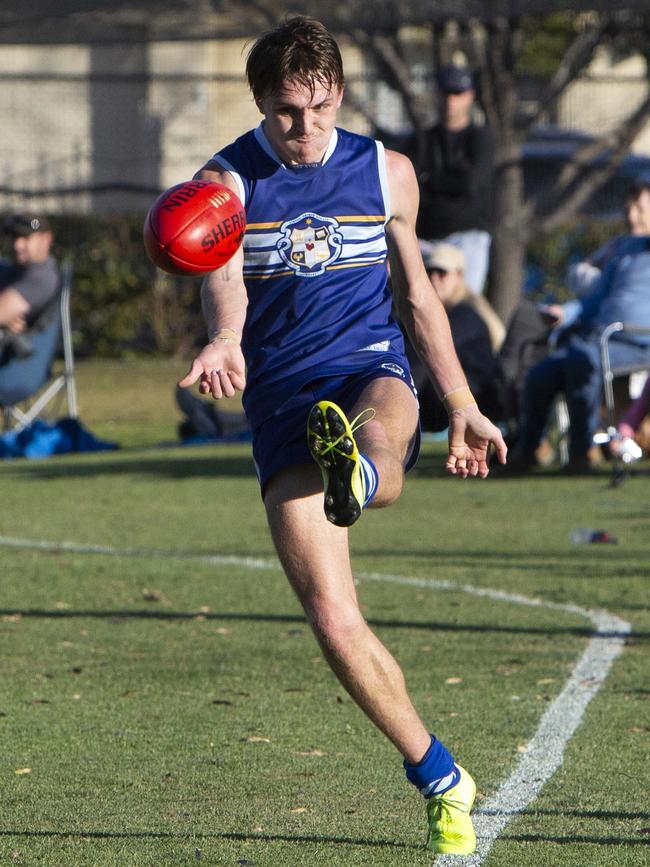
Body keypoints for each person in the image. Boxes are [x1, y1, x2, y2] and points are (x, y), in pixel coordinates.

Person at [178, 17, 506, 855]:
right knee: (331, 615)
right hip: (284, 398)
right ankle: (439, 773)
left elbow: (421, 297)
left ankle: (355, 474)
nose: (305, 127)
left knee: (379, 444)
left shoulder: (385, 170)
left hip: (369, 365)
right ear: (261, 103)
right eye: (288, 111)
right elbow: (225, 288)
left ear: (341, 98)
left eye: (320, 108)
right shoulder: (228, 184)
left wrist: (462, 399)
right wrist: (221, 340)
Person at [509, 231, 650, 474]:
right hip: (596, 338)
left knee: (582, 361)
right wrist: (566, 313)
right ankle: (529, 449)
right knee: (540, 373)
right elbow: (595, 299)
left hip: (636, 342)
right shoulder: (628, 249)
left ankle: (581, 451)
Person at [414, 64, 495, 295]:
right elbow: (414, 185)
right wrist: (448, 181)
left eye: (457, 94)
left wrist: (433, 180)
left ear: (470, 96)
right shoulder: (424, 140)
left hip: (466, 237)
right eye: (446, 93)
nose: (451, 100)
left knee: (464, 304)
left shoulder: (480, 139)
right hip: (428, 238)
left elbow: (471, 183)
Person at [411, 242, 505, 431]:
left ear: (459, 277)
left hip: (472, 399)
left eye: (442, 273)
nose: (435, 279)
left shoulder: (464, 315)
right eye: (429, 272)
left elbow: (429, 352)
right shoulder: (447, 312)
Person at [0, 214, 60, 364]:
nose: (17, 245)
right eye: (14, 237)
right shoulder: (11, 270)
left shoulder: (41, 278)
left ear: (46, 239)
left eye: (26, 238)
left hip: (12, 365)